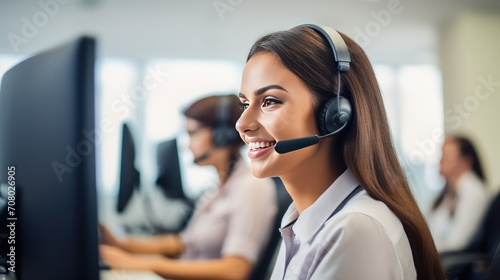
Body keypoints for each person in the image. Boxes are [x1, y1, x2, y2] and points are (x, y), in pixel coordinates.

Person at [235, 24, 445, 279]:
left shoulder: (355, 229)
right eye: (245, 103)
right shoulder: (299, 221)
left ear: (335, 116)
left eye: (270, 101)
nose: (242, 124)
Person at [100, 94, 277, 280]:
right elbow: (183, 243)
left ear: (222, 135)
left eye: (192, 133)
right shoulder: (218, 188)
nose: (187, 145)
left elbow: (235, 270)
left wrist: (142, 264)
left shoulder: (252, 188)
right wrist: (120, 244)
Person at [427, 136, 489, 252]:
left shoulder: (473, 193)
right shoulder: (448, 193)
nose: (440, 161)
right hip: (441, 256)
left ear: (466, 161)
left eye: (446, 156)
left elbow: (457, 244)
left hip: (452, 262)